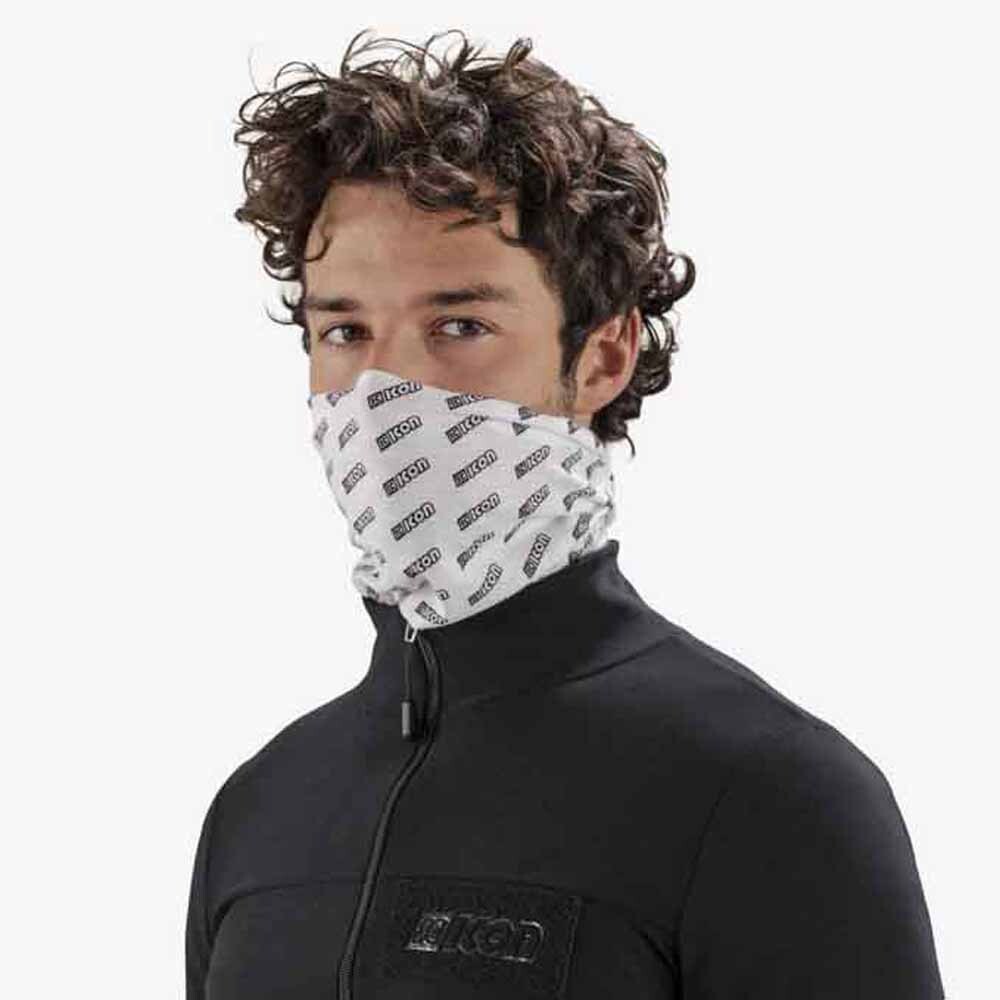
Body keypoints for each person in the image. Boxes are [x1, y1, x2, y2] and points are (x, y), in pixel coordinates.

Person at [185, 28, 946, 999]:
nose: (384, 389)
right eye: (344, 329)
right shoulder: (261, 809)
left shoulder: (768, 792)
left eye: (459, 325)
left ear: (602, 357)